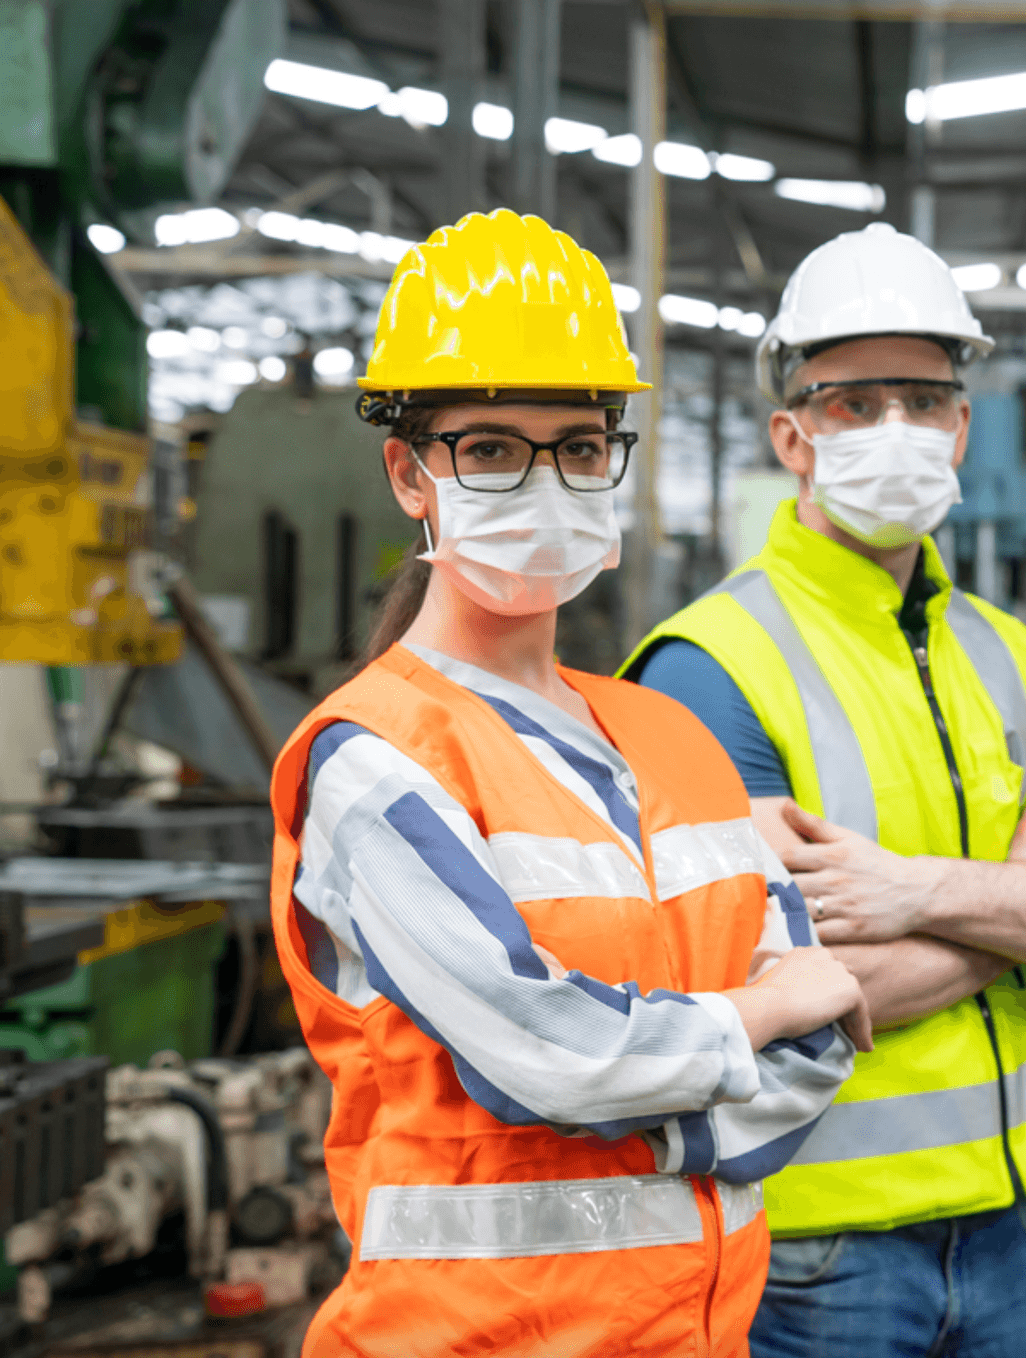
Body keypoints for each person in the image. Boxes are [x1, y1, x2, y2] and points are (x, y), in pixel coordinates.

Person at [267, 210, 868, 1358]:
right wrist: (760, 1010)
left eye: (578, 446)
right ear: (410, 473)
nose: (543, 481)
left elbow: (819, 1047)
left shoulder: (671, 733)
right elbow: (551, 1051)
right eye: (490, 448)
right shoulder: (377, 755)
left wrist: (646, 1094)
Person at [621, 221, 1026, 1358]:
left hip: (1012, 1233)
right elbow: (754, 988)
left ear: (962, 424)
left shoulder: (1014, 655)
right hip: (820, 1251)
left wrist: (911, 892)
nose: (897, 430)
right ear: (792, 434)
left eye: (923, 399)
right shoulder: (711, 667)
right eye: (853, 402)